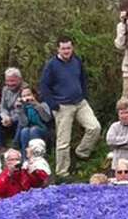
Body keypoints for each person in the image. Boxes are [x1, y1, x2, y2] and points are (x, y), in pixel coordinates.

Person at [39, 36, 101, 177]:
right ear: (58, 49)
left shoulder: (76, 60)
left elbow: (83, 79)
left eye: (69, 48)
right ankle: (62, 173)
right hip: (63, 106)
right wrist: (53, 104)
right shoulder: (52, 65)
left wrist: (84, 95)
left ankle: (81, 152)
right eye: (63, 48)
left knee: (94, 127)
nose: (66, 51)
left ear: (72, 48)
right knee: (63, 142)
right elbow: (44, 87)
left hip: (80, 102)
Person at [0, 67, 25, 149]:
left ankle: (15, 147)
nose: (10, 83)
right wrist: (5, 117)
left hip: (18, 119)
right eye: (7, 81)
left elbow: (23, 111)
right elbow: (3, 106)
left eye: (12, 81)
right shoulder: (5, 89)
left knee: (23, 119)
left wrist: (11, 119)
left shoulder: (25, 90)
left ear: (19, 80)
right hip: (7, 118)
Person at [106, 98, 128, 179]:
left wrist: (117, 144)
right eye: (122, 113)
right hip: (116, 168)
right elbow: (110, 141)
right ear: (118, 114)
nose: (124, 116)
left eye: (127, 112)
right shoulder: (114, 126)